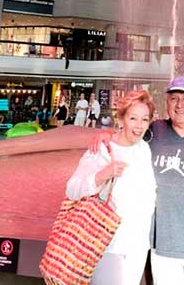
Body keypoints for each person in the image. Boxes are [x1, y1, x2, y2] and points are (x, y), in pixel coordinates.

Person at [92, 76, 184, 285]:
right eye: (174, 98)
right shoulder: (154, 131)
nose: (180, 104)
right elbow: (129, 134)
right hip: (162, 250)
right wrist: (108, 134)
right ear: (167, 102)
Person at [66, 90, 156, 285]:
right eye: (133, 118)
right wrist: (101, 175)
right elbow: (72, 189)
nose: (139, 125)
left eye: (144, 119)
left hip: (138, 246)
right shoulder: (103, 149)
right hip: (109, 247)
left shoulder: (144, 149)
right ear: (121, 119)